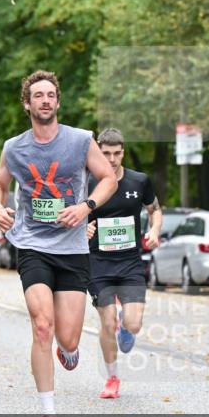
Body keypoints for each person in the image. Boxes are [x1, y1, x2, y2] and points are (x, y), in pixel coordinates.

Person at [0, 70, 117, 417]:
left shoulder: (79, 140)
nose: (45, 100)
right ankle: (49, 414)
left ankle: (69, 349)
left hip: (73, 248)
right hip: (32, 245)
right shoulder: (14, 147)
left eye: (50, 95)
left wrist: (86, 206)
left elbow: (107, 177)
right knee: (41, 325)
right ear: (27, 104)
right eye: (37, 96)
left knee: (69, 337)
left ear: (58, 102)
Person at [85, 128, 162, 399]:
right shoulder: (87, 183)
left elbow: (155, 210)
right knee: (105, 322)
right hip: (97, 262)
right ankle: (113, 378)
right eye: (106, 153)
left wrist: (153, 231)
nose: (112, 159)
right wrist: (83, 229)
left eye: (117, 153)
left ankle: (125, 325)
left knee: (134, 324)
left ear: (123, 152)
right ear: (98, 153)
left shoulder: (139, 181)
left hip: (130, 263)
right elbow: (73, 215)